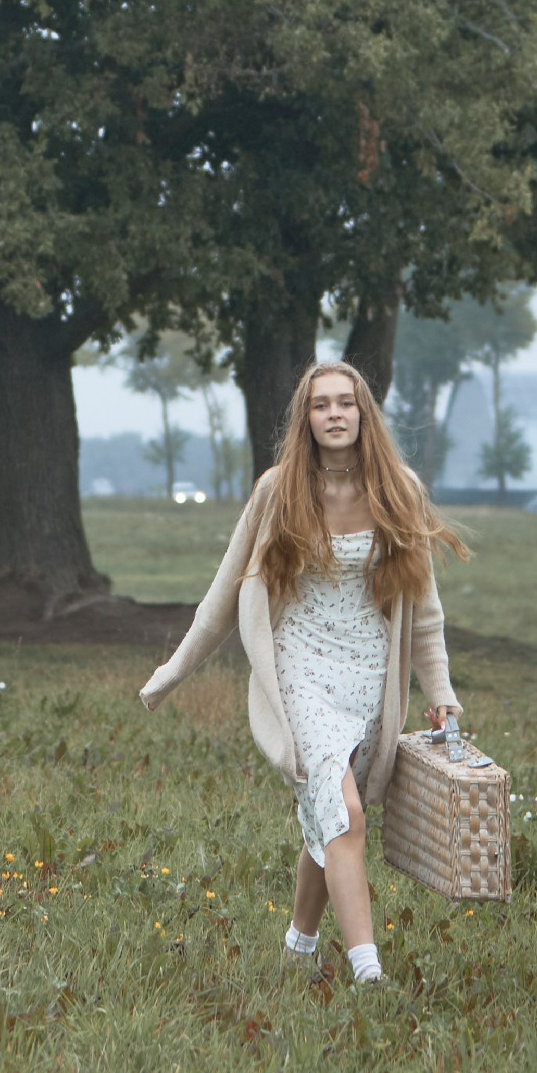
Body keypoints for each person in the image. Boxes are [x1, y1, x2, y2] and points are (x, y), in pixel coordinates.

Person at [138, 358, 470, 985]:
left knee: (328, 814)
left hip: (372, 676)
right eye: (322, 405)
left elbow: (424, 612)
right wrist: (174, 670)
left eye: (347, 403)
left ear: (364, 414)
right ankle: (367, 969)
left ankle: (299, 943)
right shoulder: (277, 490)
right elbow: (223, 597)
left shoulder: (398, 489)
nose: (335, 414)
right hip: (302, 672)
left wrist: (442, 691)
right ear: (306, 418)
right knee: (344, 810)